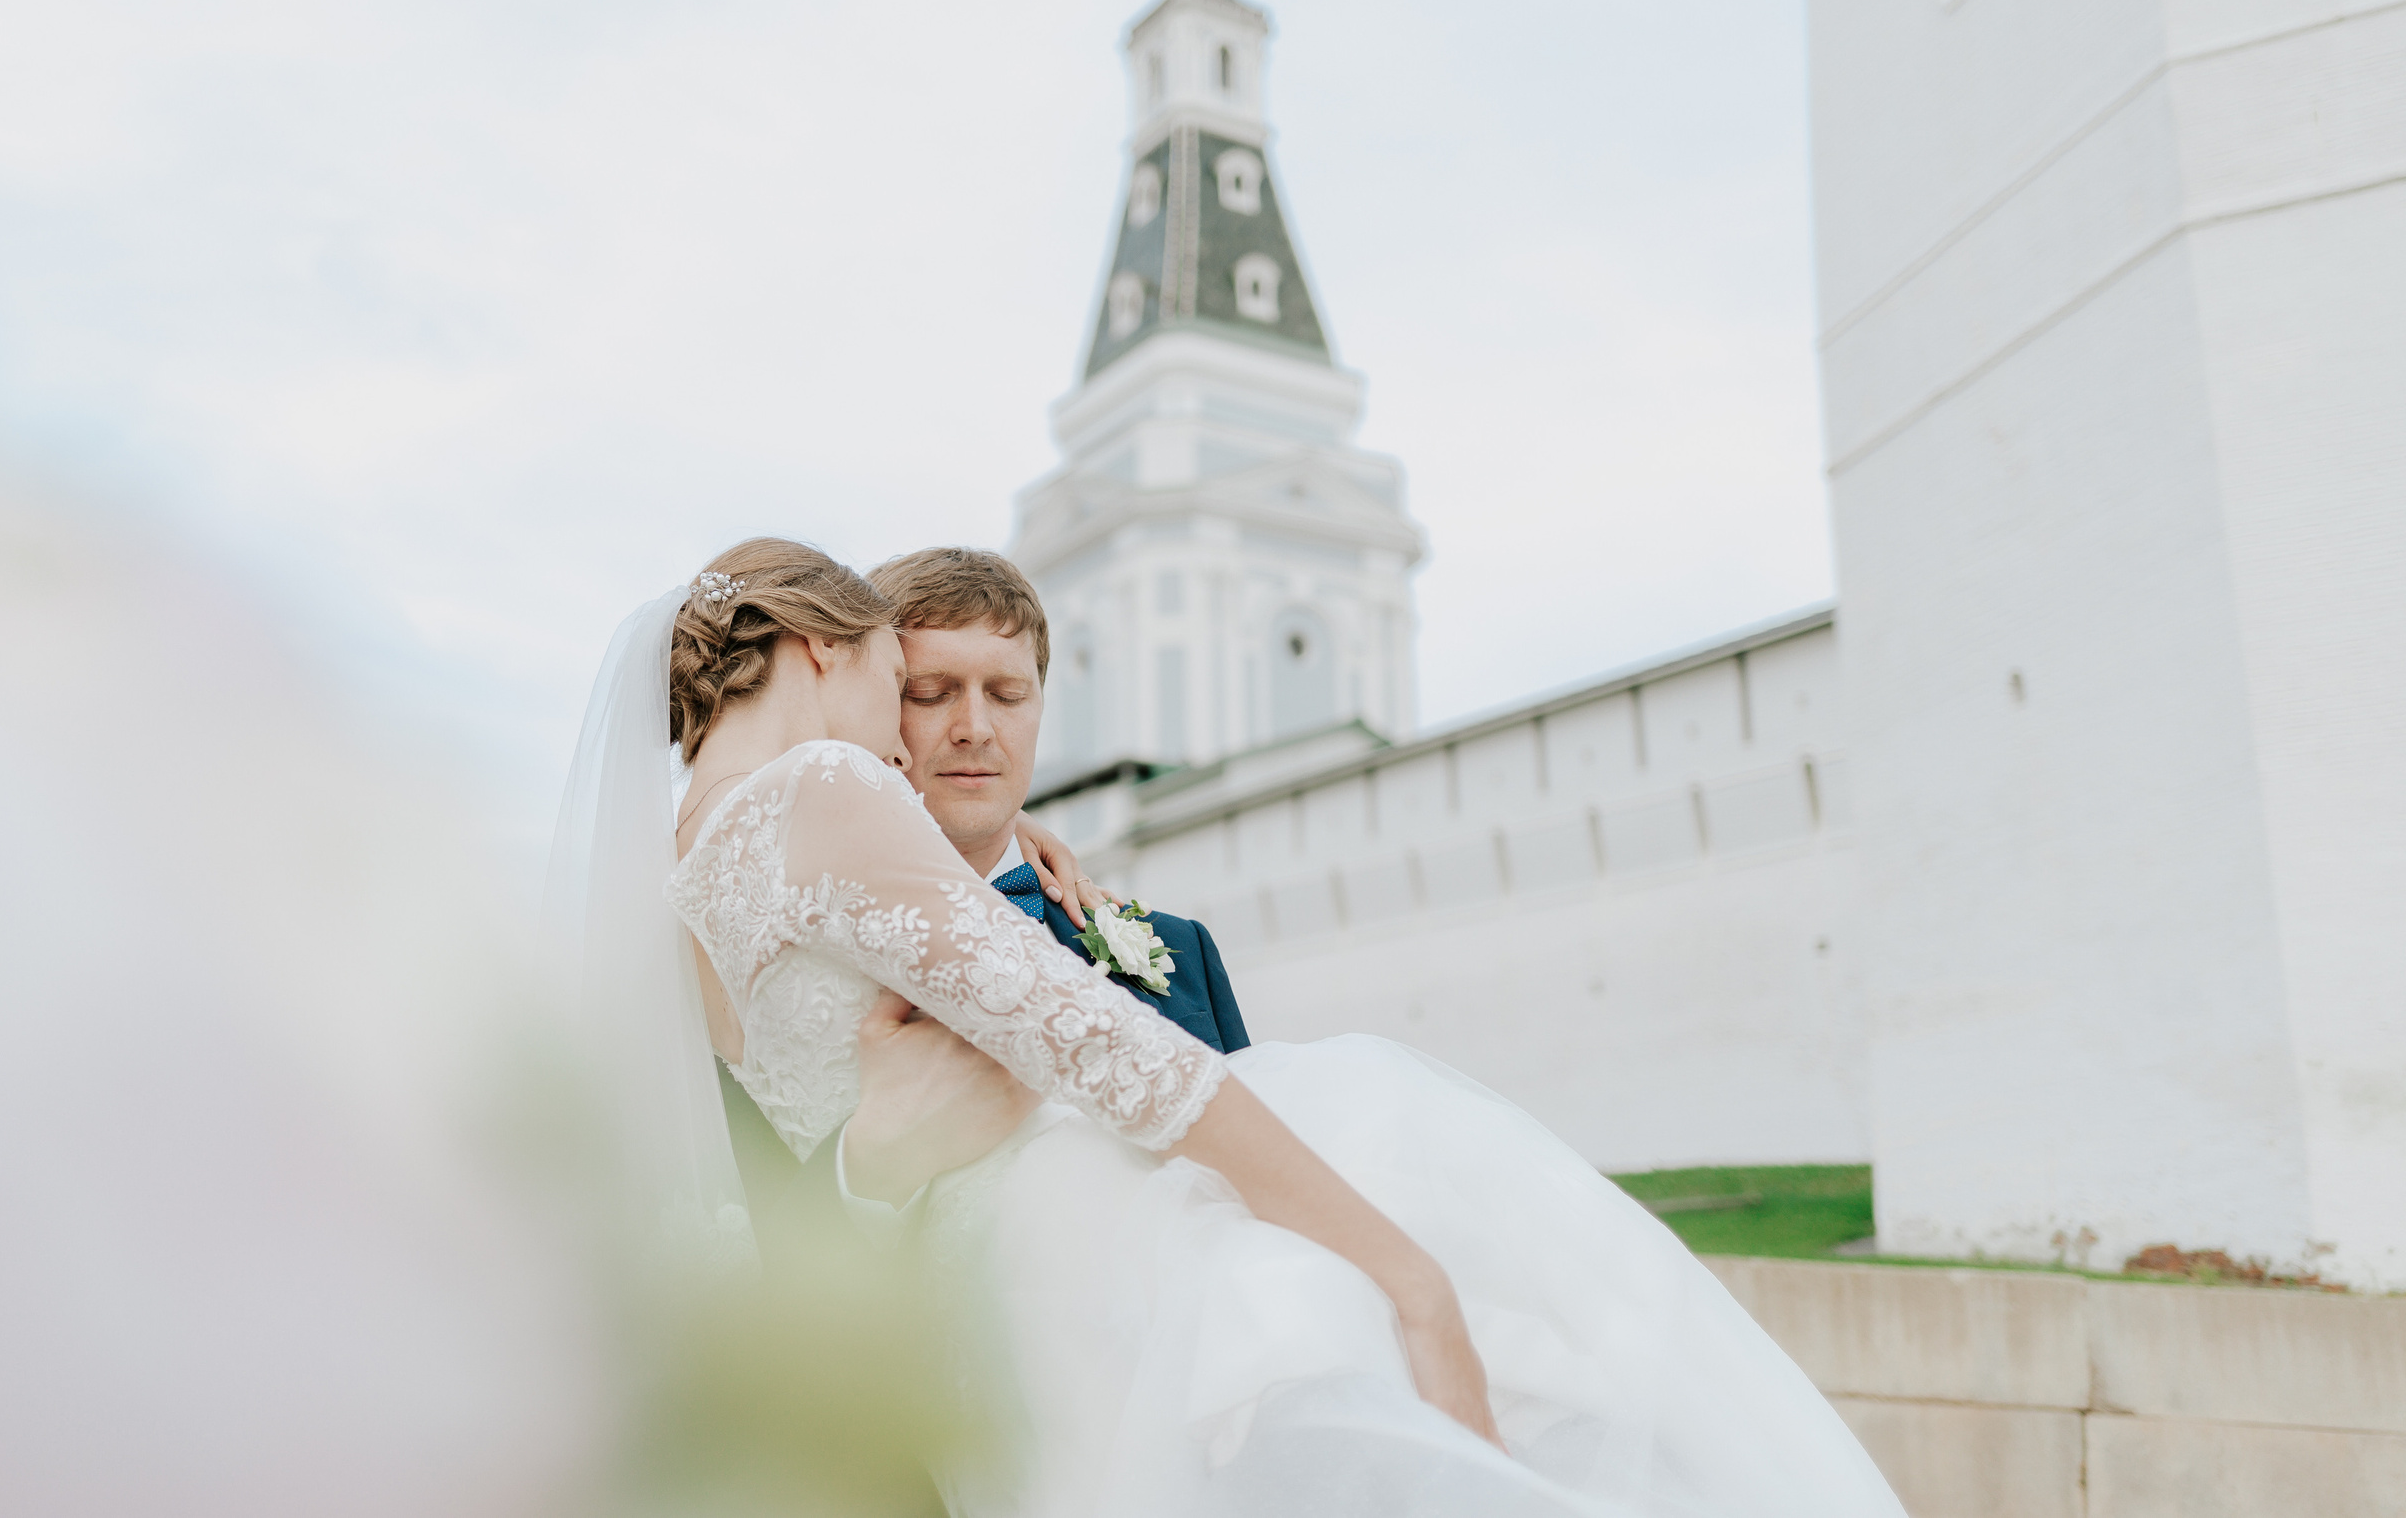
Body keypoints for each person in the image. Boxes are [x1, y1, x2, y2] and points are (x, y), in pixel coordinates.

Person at [551, 538, 1908, 1517]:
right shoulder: (829, 784)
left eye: (1002, 696)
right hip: (1032, 1301)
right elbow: (1111, 1056)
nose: (925, 739)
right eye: (903, 684)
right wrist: (1405, 1270)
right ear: (820, 655)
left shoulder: (676, 883)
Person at [732, 546, 1246, 1226]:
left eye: (1006, 695)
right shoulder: (779, 960)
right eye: (930, 692)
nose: (975, 728)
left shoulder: (1182, 952)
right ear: (875, 702)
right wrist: (867, 1171)